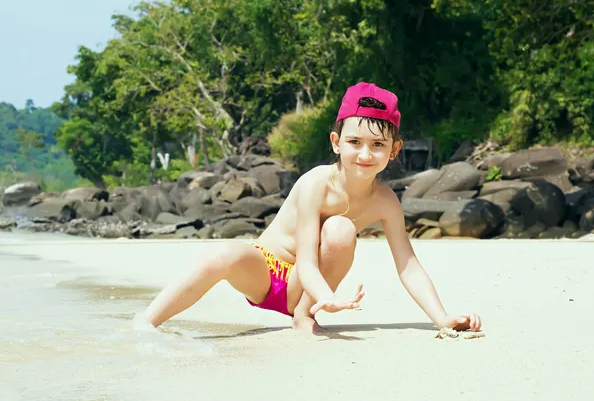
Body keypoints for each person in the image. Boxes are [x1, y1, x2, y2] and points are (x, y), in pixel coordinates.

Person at [137, 82, 482, 334]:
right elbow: (304, 258)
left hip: (307, 293)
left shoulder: (385, 201)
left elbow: (409, 267)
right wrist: (327, 296)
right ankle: (146, 322)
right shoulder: (316, 182)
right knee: (223, 254)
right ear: (336, 143)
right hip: (268, 275)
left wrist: (442, 318)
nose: (365, 154)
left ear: (394, 150)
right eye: (354, 142)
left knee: (340, 228)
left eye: (378, 145)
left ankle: (304, 317)